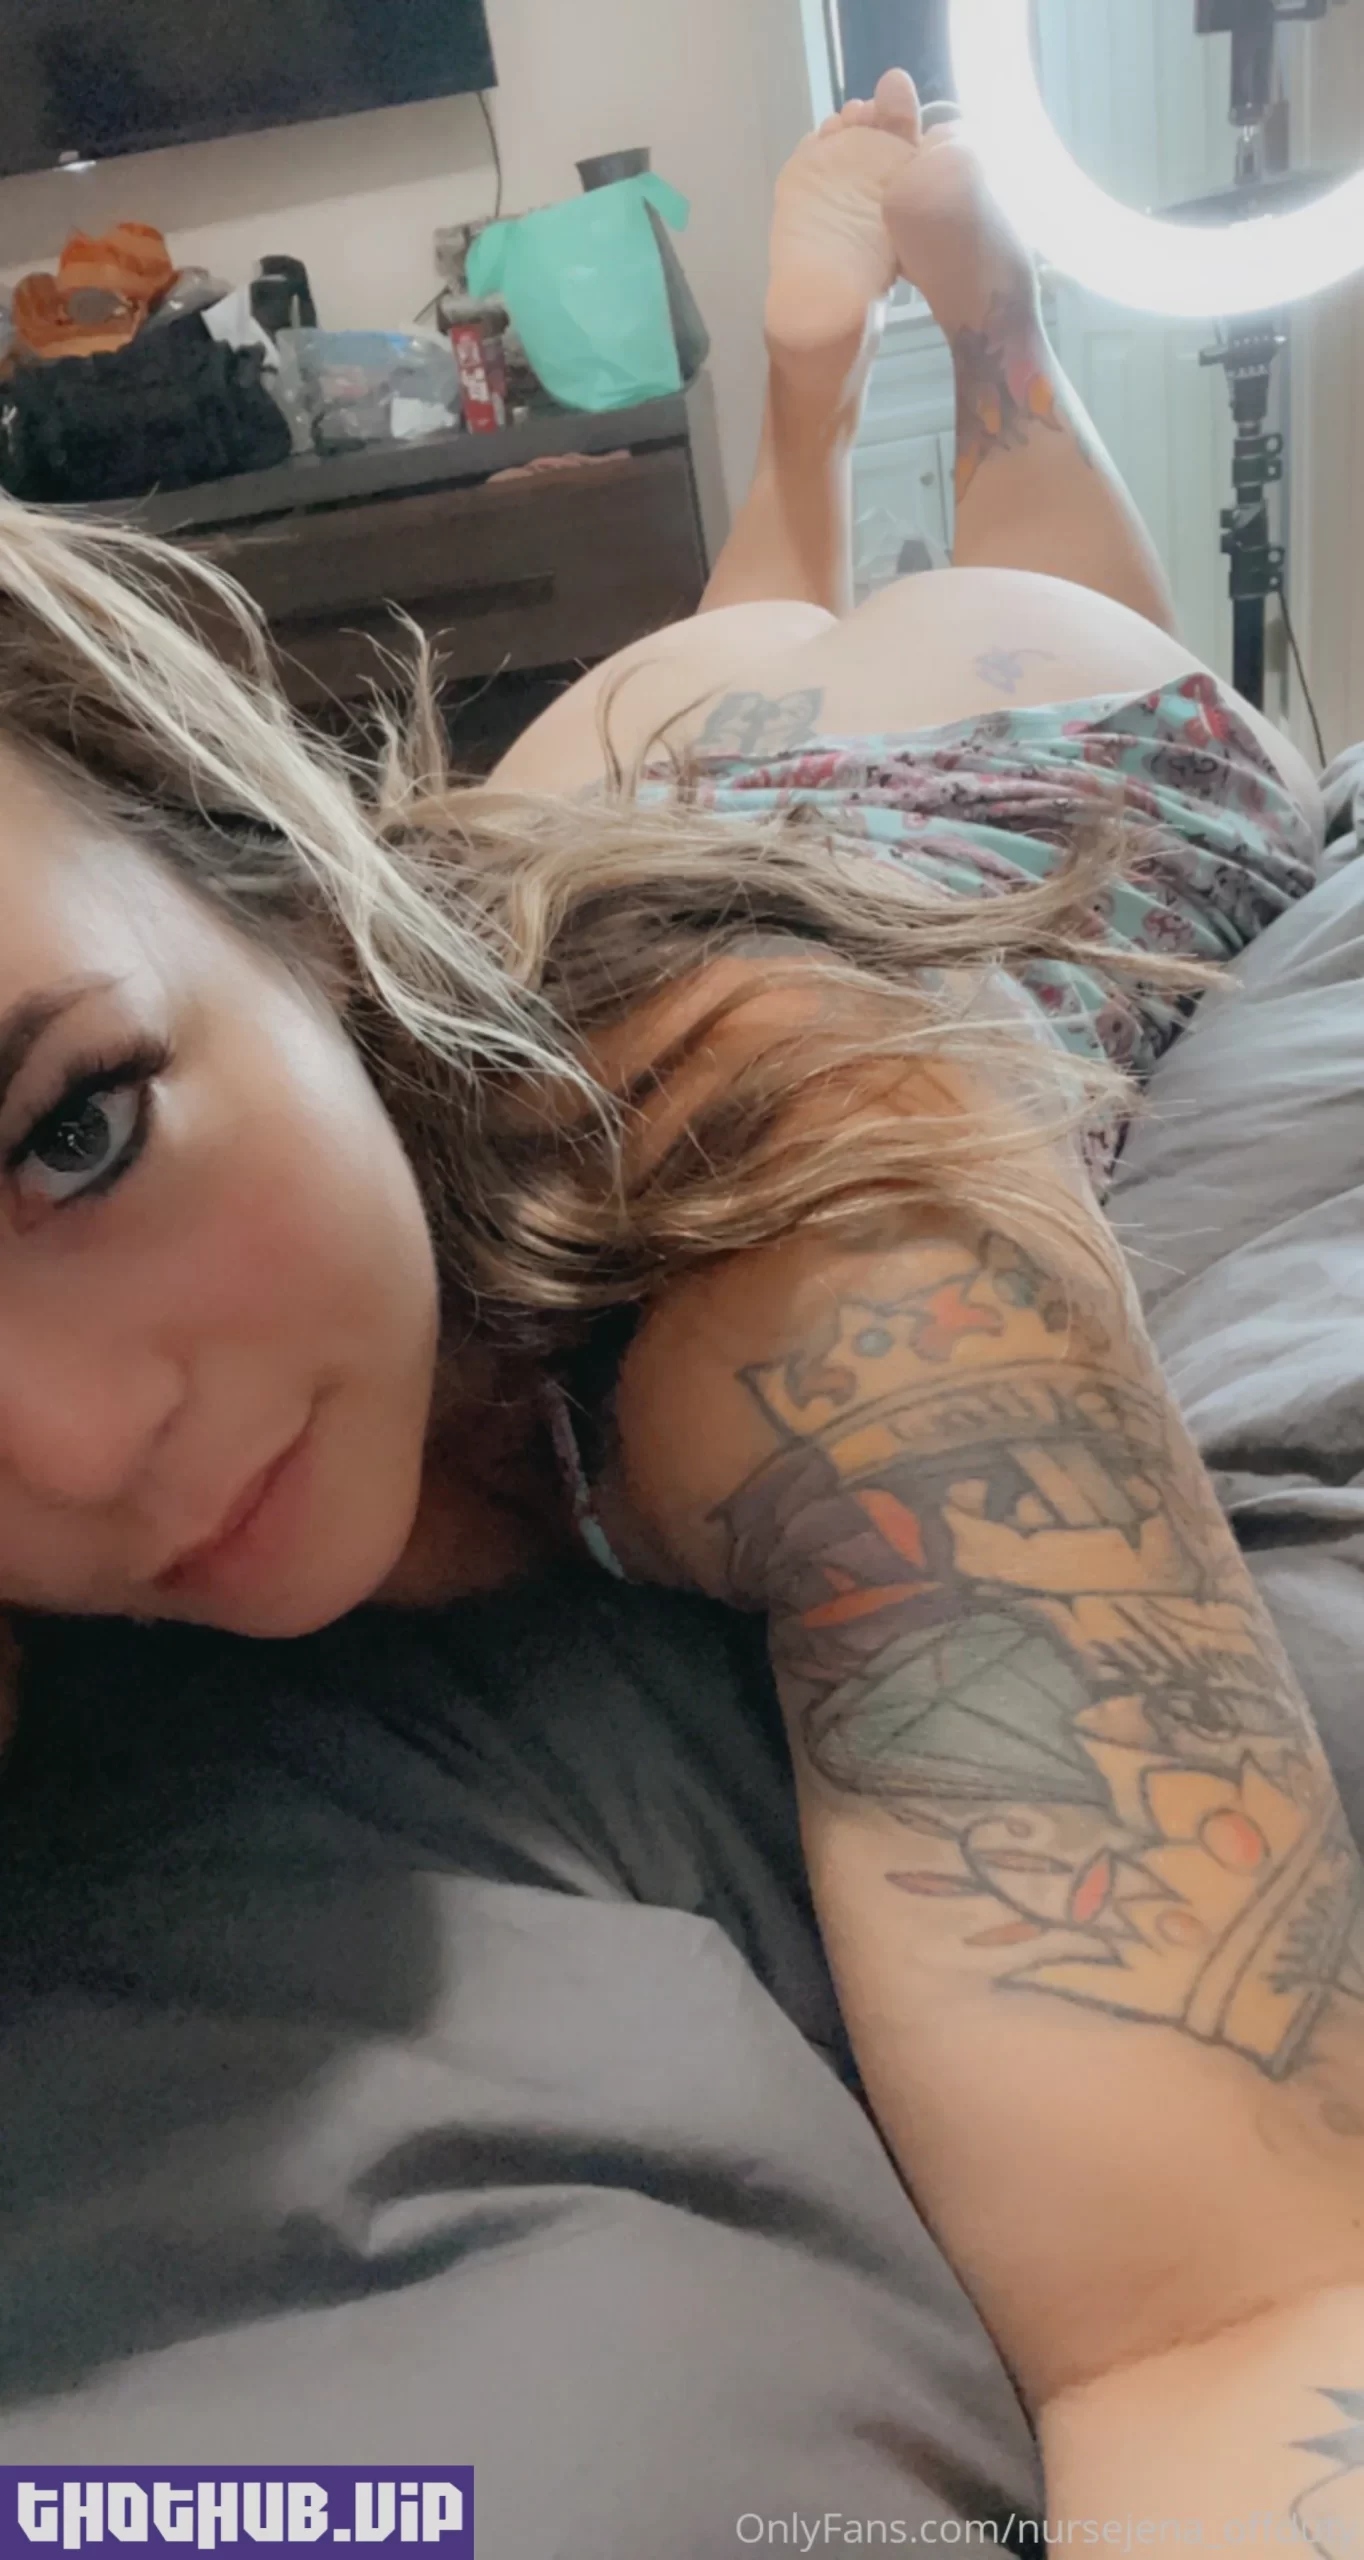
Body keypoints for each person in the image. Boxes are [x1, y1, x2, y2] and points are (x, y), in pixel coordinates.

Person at [0, 70, 1358, 2527]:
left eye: (74, 1130)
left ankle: (985, 336)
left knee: (962, 606)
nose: (83, 1442)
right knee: (701, 661)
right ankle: (799, 419)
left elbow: (1225, 2304)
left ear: (267, 882)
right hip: (567, 809)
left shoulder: (771, 1163)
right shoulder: (215, 1000)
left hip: (1011, 768)